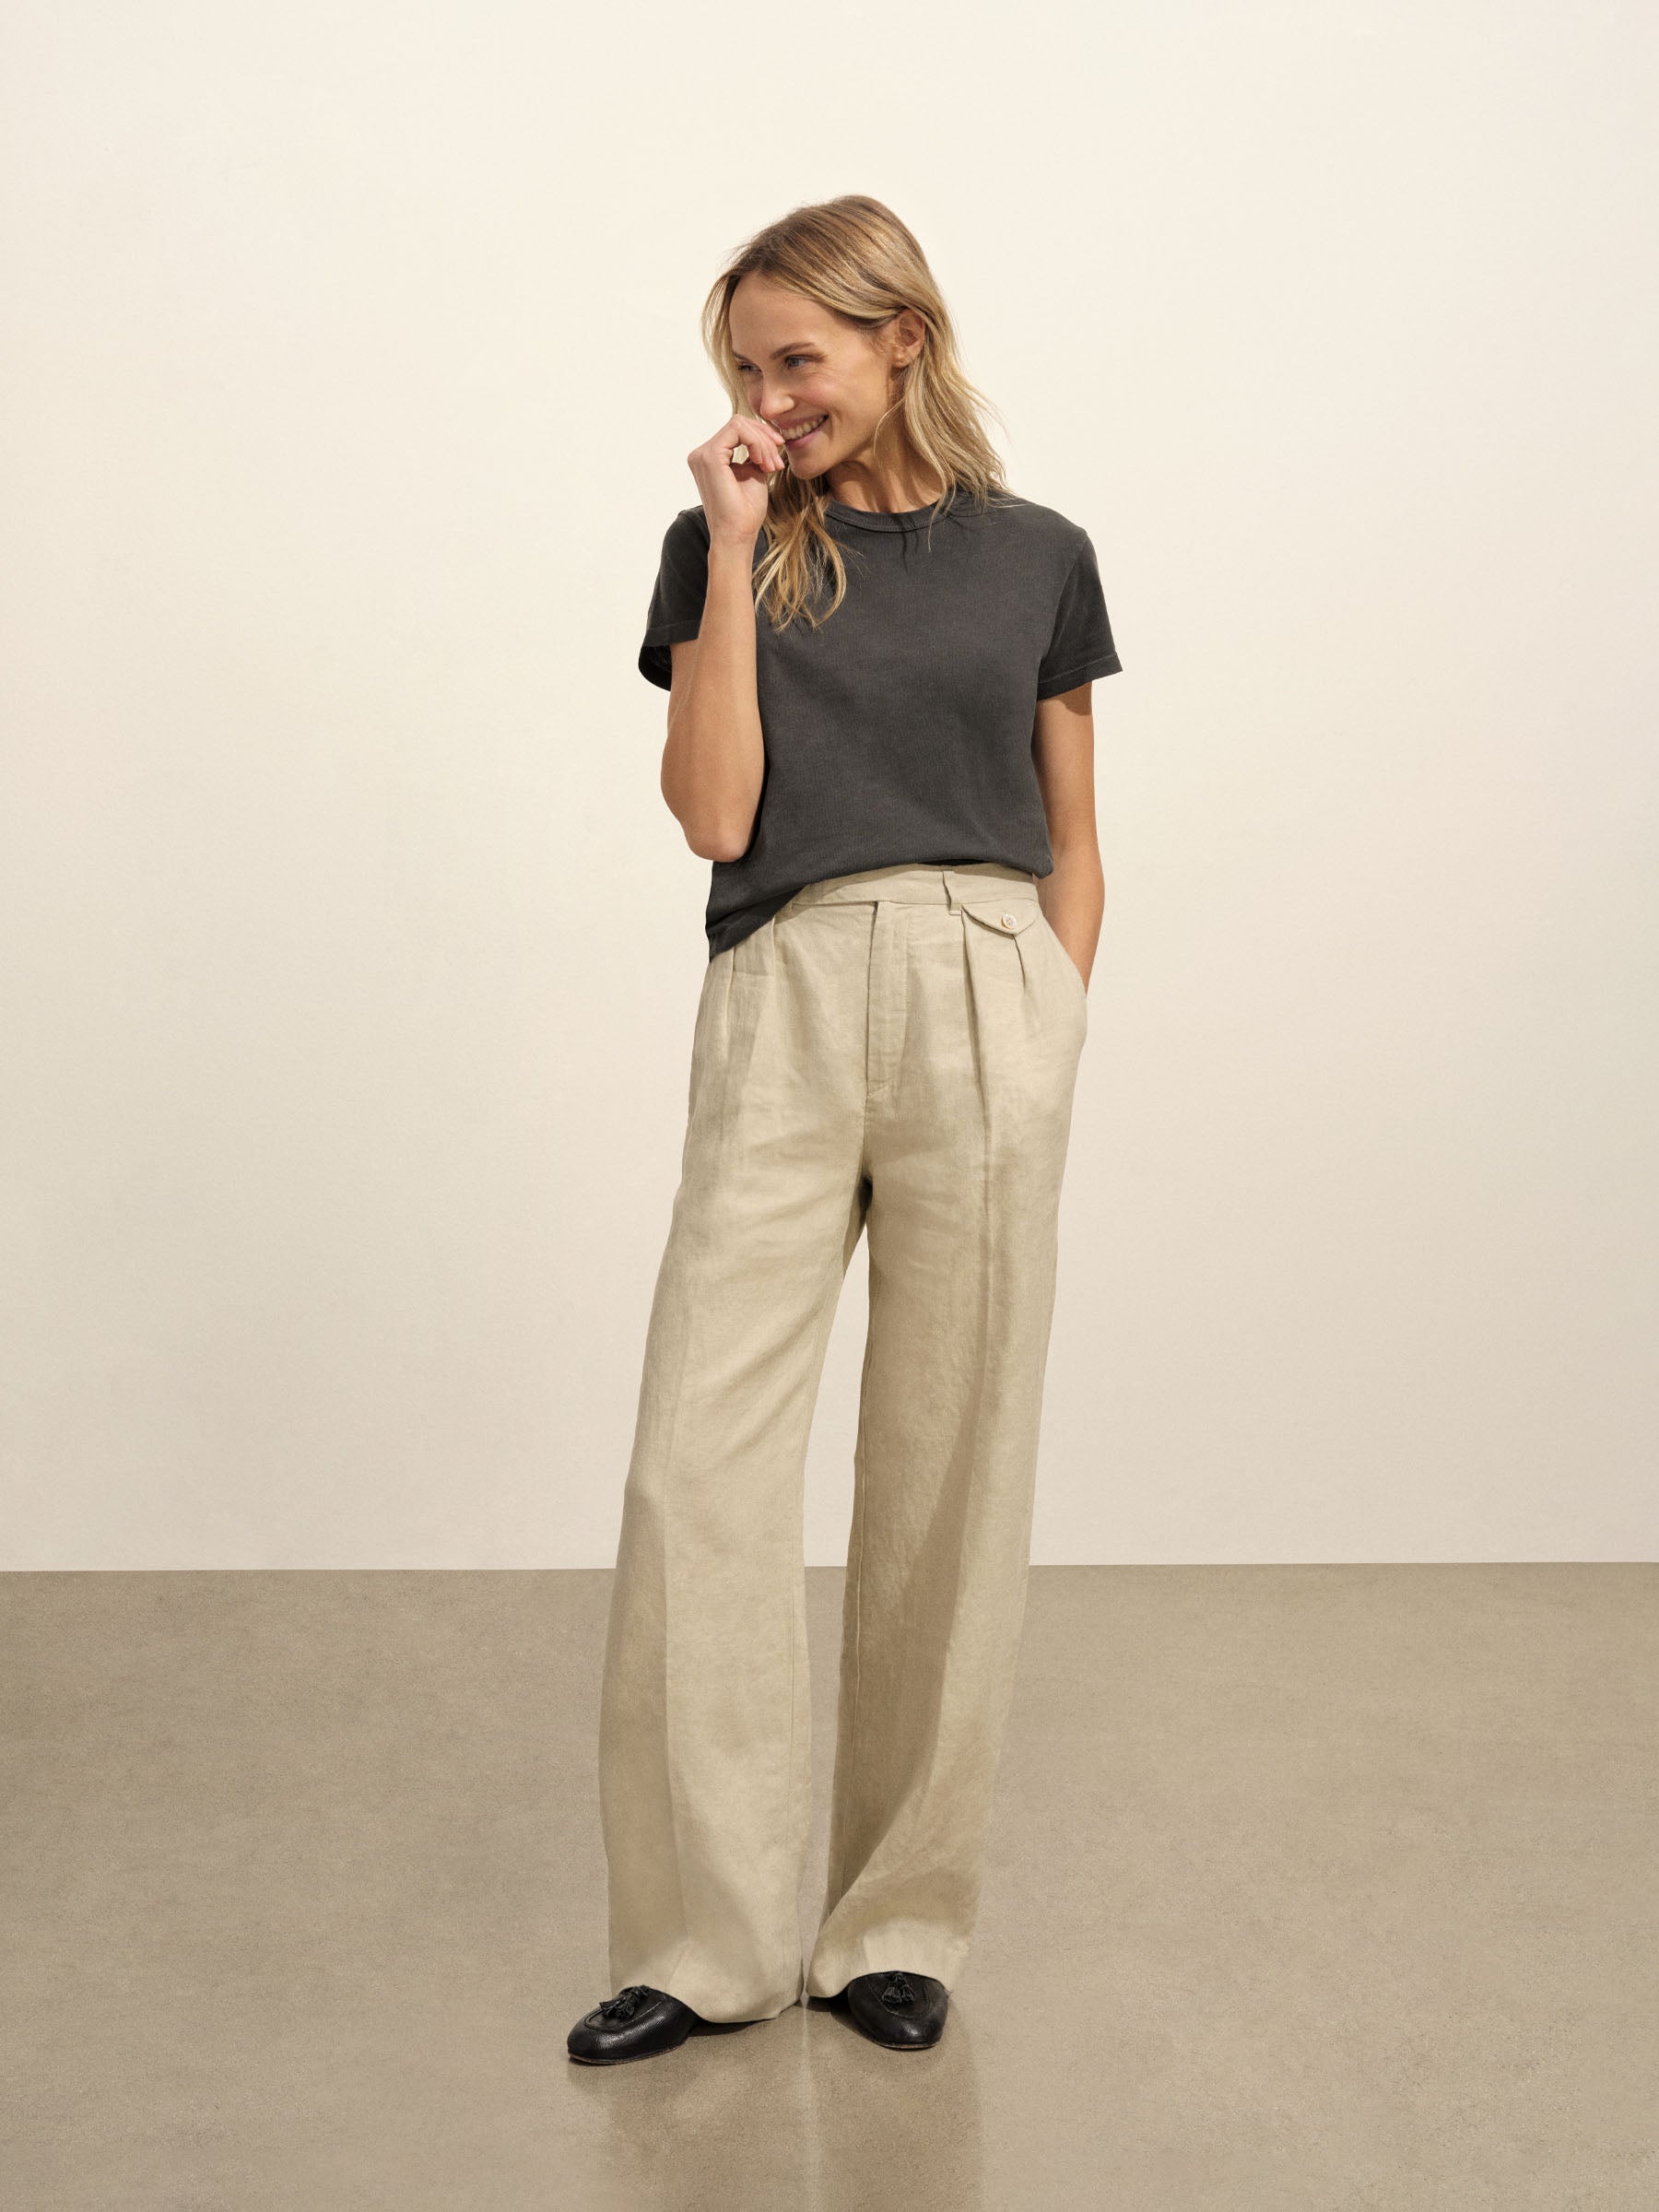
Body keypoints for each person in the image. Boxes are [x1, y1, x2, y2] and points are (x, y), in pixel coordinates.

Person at [569, 194, 1122, 2065]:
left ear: (904, 340)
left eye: (796, 358)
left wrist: (1047, 1022)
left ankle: (896, 1921)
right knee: (699, 1462)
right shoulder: (718, 545)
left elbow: (1075, 831)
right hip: (788, 986)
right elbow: (715, 815)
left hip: (986, 989)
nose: (767, 397)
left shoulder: (1039, 557)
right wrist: (733, 550)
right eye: (742, 365)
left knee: (952, 1470)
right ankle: (704, 1942)